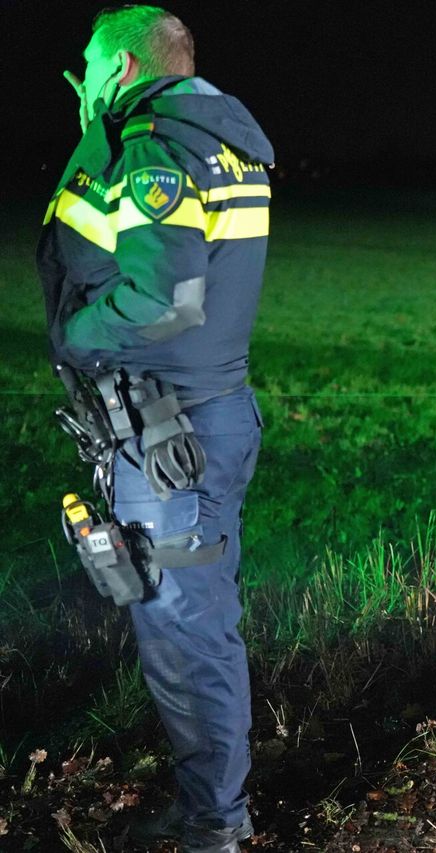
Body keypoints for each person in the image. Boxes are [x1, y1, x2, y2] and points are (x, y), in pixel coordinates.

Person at [37, 6, 272, 852]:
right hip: (198, 419)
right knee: (188, 621)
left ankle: (217, 824)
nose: (84, 82)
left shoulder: (154, 149)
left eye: (92, 65)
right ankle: (211, 801)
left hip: (171, 431)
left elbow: (164, 299)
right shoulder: (223, 136)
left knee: (183, 631)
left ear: (126, 69)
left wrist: (74, 336)